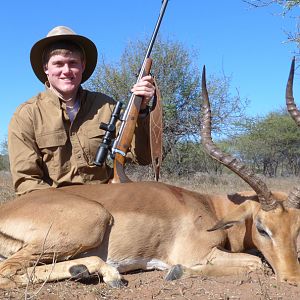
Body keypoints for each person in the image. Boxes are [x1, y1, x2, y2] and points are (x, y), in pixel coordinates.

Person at [8, 26, 156, 195]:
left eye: (73, 63)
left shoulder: (106, 106)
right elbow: (27, 182)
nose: (66, 70)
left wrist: (142, 110)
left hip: (107, 198)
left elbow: (142, 158)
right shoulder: (26, 115)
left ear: (83, 66)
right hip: (55, 206)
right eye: (58, 64)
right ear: (46, 69)